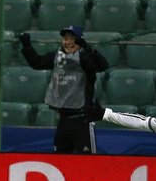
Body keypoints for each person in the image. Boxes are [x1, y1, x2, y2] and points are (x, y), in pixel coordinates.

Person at [18, 25, 109, 153]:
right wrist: (27, 46)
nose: (68, 42)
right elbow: (37, 63)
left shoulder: (84, 56)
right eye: (65, 38)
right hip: (63, 119)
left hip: (82, 119)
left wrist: (88, 48)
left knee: (87, 162)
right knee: (60, 159)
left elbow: (102, 66)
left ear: (79, 41)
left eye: (72, 38)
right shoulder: (57, 55)